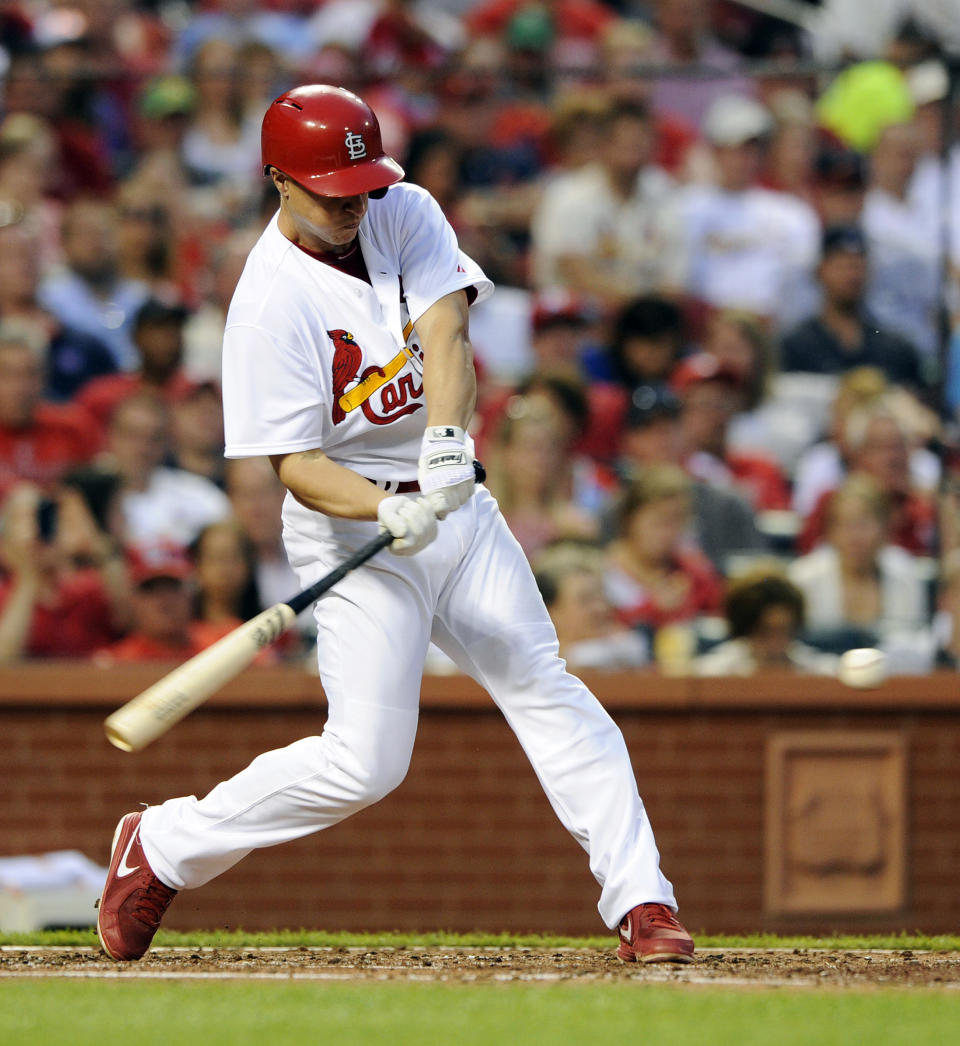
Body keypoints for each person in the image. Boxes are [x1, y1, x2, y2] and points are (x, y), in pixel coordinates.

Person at [96, 84, 694, 966]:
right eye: (332, 192)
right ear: (278, 182)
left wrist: (448, 448)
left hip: (452, 498)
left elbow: (446, 336)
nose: (353, 206)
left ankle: (643, 899)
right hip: (350, 525)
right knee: (367, 762)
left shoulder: (401, 208)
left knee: (542, 682)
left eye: (362, 186)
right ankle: (164, 843)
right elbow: (293, 467)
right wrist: (384, 506)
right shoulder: (265, 305)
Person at [780, 224, 926, 391]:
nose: (851, 275)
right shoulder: (794, 346)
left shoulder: (895, 349)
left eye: (858, 266)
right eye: (841, 266)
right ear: (820, 271)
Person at [694, 566, 838, 676]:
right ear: (745, 631)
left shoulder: (818, 671)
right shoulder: (712, 673)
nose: (775, 643)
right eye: (765, 633)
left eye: (783, 631)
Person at [533, 540, 650, 670]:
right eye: (585, 600)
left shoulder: (627, 651)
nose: (600, 608)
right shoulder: (535, 669)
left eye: (602, 597)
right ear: (550, 613)